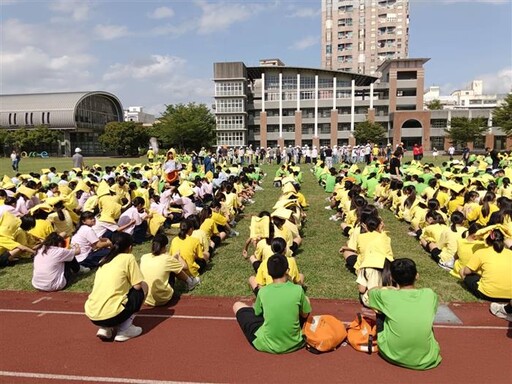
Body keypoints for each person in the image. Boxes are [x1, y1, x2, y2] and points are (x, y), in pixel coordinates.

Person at [368, 258, 442, 370]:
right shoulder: (429, 294)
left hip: (392, 354)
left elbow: (371, 292)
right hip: (427, 358)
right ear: (417, 276)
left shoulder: (387, 296)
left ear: (392, 277)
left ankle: (388, 341)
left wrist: (387, 288)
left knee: (380, 310)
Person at [233, 253, 311, 354]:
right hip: (295, 343)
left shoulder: (263, 291)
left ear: (269, 273)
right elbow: (305, 314)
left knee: (237, 305)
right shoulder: (298, 289)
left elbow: (257, 313)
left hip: (266, 344)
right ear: (287, 270)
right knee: (306, 301)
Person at [84, 232, 148, 342]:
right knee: (144, 286)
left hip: (92, 314)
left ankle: (105, 328)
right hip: (112, 314)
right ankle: (125, 329)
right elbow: (137, 286)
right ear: (130, 247)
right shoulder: (128, 258)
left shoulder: (104, 259)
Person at [140, 234, 200, 306]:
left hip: (145, 298)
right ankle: (190, 282)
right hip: (162, 299)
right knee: (173, 269)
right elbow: (185, 267)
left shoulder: (144, 257)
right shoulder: (167, 258)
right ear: (164, 247)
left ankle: (190, 282)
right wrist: (178, 256)